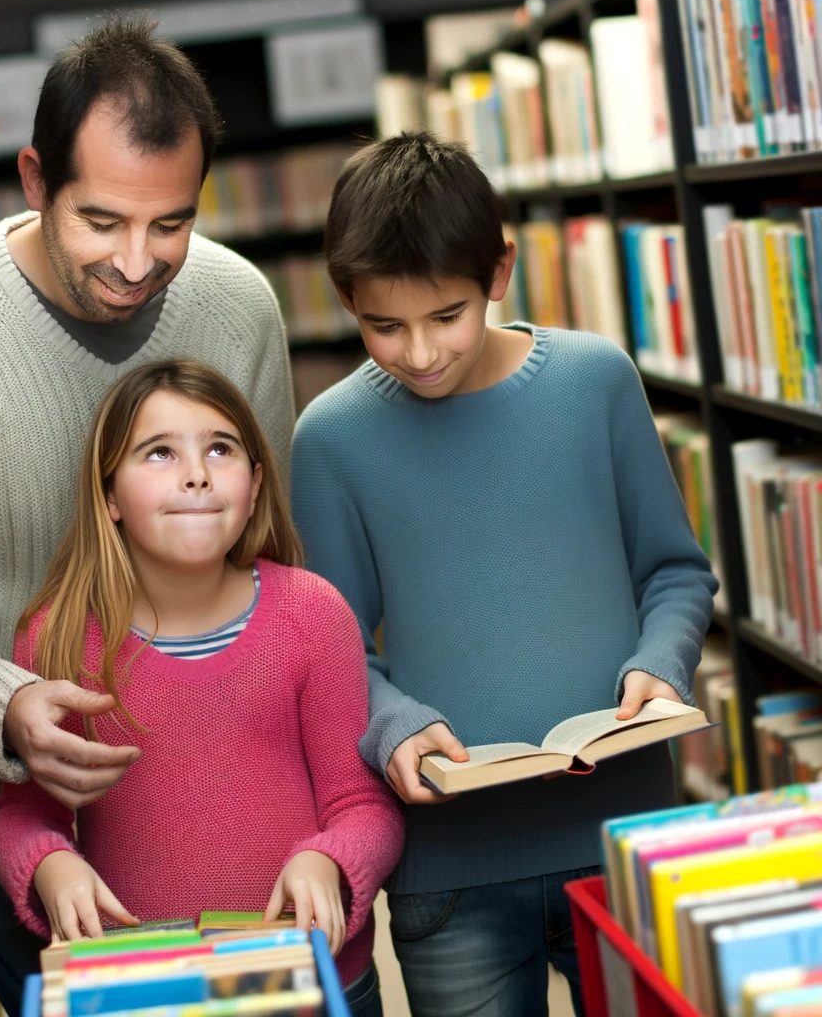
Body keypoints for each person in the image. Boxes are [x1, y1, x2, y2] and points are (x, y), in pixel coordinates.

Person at [0, 15, 295, 1016]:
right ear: (32, 180)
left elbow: (273, 550)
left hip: (226, 791)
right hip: (24, 821)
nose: (139, 262)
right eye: (101, 221)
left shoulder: (240, 306)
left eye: (171, 223)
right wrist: (9, 705)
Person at [290, 132, 719, 1017]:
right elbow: (330, 653)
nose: (416, 352)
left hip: (626, 835)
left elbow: (675, 573)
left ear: (499, 271)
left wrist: (659, 665)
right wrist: (396, 722)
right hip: (451, 873)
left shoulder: (596, 381)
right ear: (345, 299)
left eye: (444, 315)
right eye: (383, 325)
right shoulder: (330, 440)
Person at [0, 360, 403, 1017]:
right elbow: (23, 815)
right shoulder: (57, 637)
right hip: (142, 988)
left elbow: (365, 807)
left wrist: (330, 859)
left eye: (220, 448)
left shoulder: (314, 615)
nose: (196, 473)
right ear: (110, 497)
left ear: (257, 481)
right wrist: (48, 863)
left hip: (311, 982)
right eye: (159, 452)